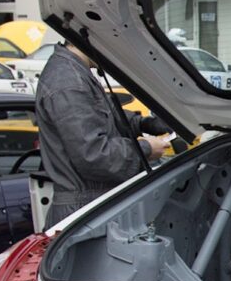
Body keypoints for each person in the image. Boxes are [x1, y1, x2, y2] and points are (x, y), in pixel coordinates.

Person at [35, 42, 173, 220]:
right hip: (84, 211)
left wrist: (147, 124)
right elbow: (94, 155)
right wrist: (146, 149)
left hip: (92, 206)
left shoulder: (76, 71)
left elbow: (106, 116)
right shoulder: (68, 81)